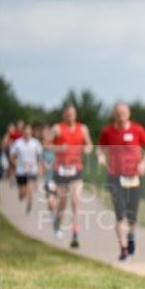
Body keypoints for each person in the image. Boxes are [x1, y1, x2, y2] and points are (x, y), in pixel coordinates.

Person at [97, 103, 145, 261]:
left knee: (132, 217)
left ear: (129, 114)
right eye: (118, 113)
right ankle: (123, 249)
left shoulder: (137, 129)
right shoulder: (107, 131)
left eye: (124, 113)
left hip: (134, 176)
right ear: (114, 115)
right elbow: (100, 148)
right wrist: (101, 156)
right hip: (115, 176)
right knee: (120, 214)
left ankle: (131, 236)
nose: (121, 116)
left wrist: (144, 162)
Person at [48, 105, 94, 247]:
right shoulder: (57, 128)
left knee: (75, 201)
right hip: (60, 169)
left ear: (75, 114)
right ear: (64, 115)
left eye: (72, 114)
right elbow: (48, 145)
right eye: (67, 114)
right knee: (62, 202)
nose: (70, 116)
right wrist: (58, 148)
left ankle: (75, 233)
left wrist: (87, 149)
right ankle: (57, 222)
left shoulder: (83, 128)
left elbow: (89, 144)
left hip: (76, 169)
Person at [8, 123, 43, 214]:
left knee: (30, 189)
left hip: (32, 170)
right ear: (23, 132)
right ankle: (21, 194)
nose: (27, 132)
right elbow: (11, 155)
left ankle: (29, 207)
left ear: (31, 131)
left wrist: (39, 168)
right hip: (21, 171)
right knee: (23, 191)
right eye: (25, 130)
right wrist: (15, 164)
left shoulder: (35, 143)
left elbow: (39, 157)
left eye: (28, 130)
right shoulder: (18, 143)